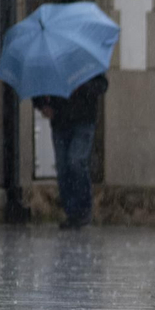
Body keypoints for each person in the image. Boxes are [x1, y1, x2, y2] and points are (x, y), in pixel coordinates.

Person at [34, 74, 109, 230]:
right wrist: (41, 105)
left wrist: (83, 88)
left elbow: (102, 85)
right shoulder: (52, 63)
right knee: (63, 168)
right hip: (60, 120)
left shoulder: (86, 62)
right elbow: (38, 84)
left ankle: (83, 209)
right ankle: (72, 212)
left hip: (84, 120)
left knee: (76, 161)